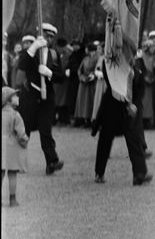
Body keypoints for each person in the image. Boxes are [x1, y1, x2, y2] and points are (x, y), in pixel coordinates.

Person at [91, 58, 153, 186]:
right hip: (113, 105)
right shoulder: (110, 61)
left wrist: (134, 104)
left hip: (132, 108)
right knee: (105, 139)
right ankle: (99, 172)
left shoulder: (138, 63)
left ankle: (140, 174)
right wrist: (127, 103)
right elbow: (113, 83)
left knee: (135, 138)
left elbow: (141, 87)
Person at [16, 23, 65, 174]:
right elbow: (22, 65)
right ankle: (17, 162)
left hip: (46, 98)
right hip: (29, 95)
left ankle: (52, 162)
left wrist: (50, 73)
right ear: (39, 34)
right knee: (24, 130)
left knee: (45, 130)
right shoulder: (30, 51)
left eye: (51, 37)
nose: (48, 39)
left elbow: (61, 77)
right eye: (45, 35)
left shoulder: (53, 55)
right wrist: (34, 47)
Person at [2, 86, 29, 206]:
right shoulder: (15, 115)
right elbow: (21, 134)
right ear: (8, 100)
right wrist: (24, 142)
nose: (17, 98)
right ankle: (12, 199)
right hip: (12, 148)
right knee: (12, 173)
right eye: (15, 96)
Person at [74, 42, 101, 127]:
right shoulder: (85, 58)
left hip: (93, 82)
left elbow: (98, 68)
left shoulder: (98, 58)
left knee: (91, 101)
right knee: (83, 102)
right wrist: (81, 77)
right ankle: (85, 119)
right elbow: (80, 69)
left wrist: (92, 75)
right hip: (84, 82)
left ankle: (92, 120)